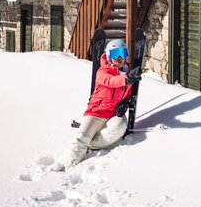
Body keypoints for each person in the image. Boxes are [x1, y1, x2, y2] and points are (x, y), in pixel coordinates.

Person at [53, 39, 142, 171]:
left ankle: (90, 144)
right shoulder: (103, 72)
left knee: (120, 127)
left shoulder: (128, 74)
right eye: (115, 53)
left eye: (122, 53)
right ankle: (68, 165)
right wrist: (127, 79)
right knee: (82, 137)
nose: (119, 58)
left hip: (113, 115)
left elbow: (126, 94)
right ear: (108, 55)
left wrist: (124, 103)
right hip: (96, 113)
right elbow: (111, 81)